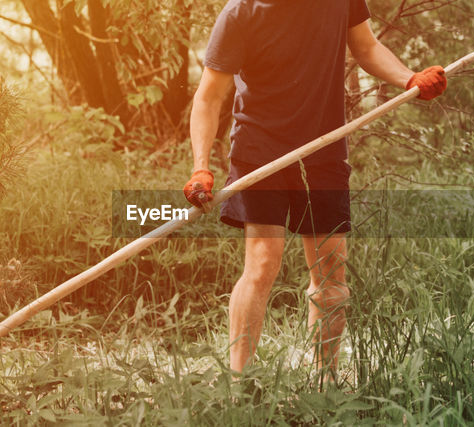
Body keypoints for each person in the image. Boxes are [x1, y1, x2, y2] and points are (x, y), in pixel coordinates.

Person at [183, 0, 447, 382]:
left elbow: (367, 47)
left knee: (330, 273)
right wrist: (200, 167)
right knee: (261, 263)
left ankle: (325, 381)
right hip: (260, 149)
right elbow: (208, 97)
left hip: (323, 149)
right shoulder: (240, 13)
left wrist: (409, 78)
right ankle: (237, 385)